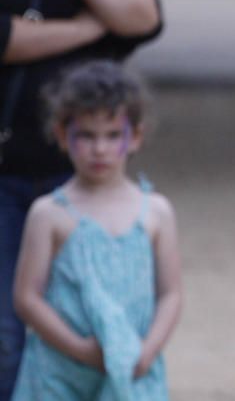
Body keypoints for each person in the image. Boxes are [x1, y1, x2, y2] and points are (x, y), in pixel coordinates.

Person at [0, 0, 162, 399]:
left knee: (99, 326)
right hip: (6, 177)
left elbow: (144, 16)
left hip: (84, 172)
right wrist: (94, 24)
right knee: (10, 332)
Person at [11, 60, 182, 399]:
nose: (100, 149)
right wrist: (79, 348)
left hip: (131, 372)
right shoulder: (48, 214)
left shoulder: (156, 212)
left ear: (135, 137)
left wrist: (147, 351)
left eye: (113, 135)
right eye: (86, 136)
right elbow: (27, 298)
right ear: (62, 135)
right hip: (58, 378)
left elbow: (171, 294)